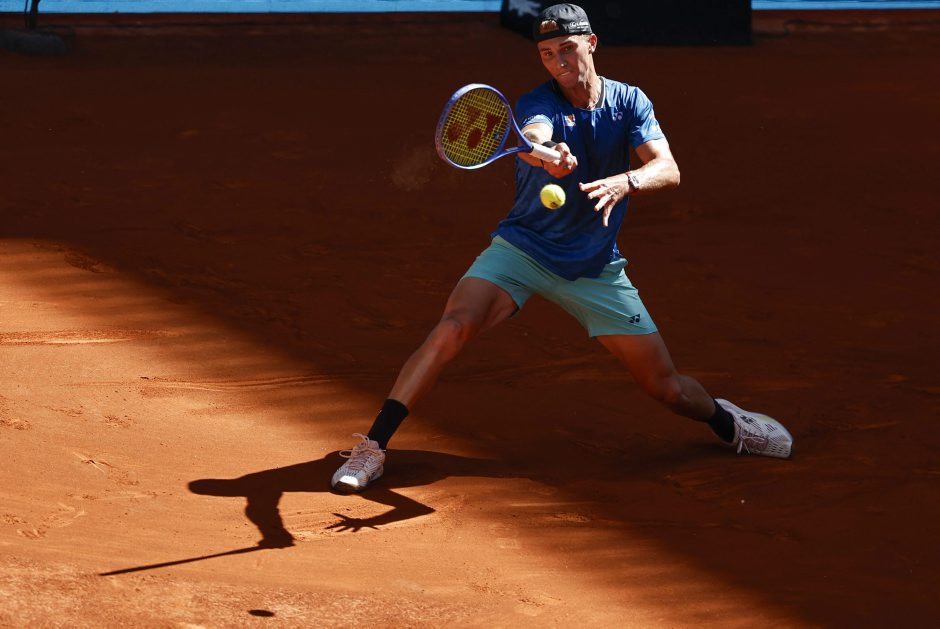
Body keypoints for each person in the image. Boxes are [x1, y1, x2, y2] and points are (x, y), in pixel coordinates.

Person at [331, 3, 793, 493]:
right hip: (522, 251)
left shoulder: (629, 101)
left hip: (594, 267)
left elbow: (668, 168)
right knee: (453, 327)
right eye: (547, 54)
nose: (558, 62)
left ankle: (727, 422)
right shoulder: (540, 103)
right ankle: (372, 447)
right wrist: (548, 154)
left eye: (567, 48)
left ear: (591, 43)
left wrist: (626, 181)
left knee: (667, 388)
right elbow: (535, 134)